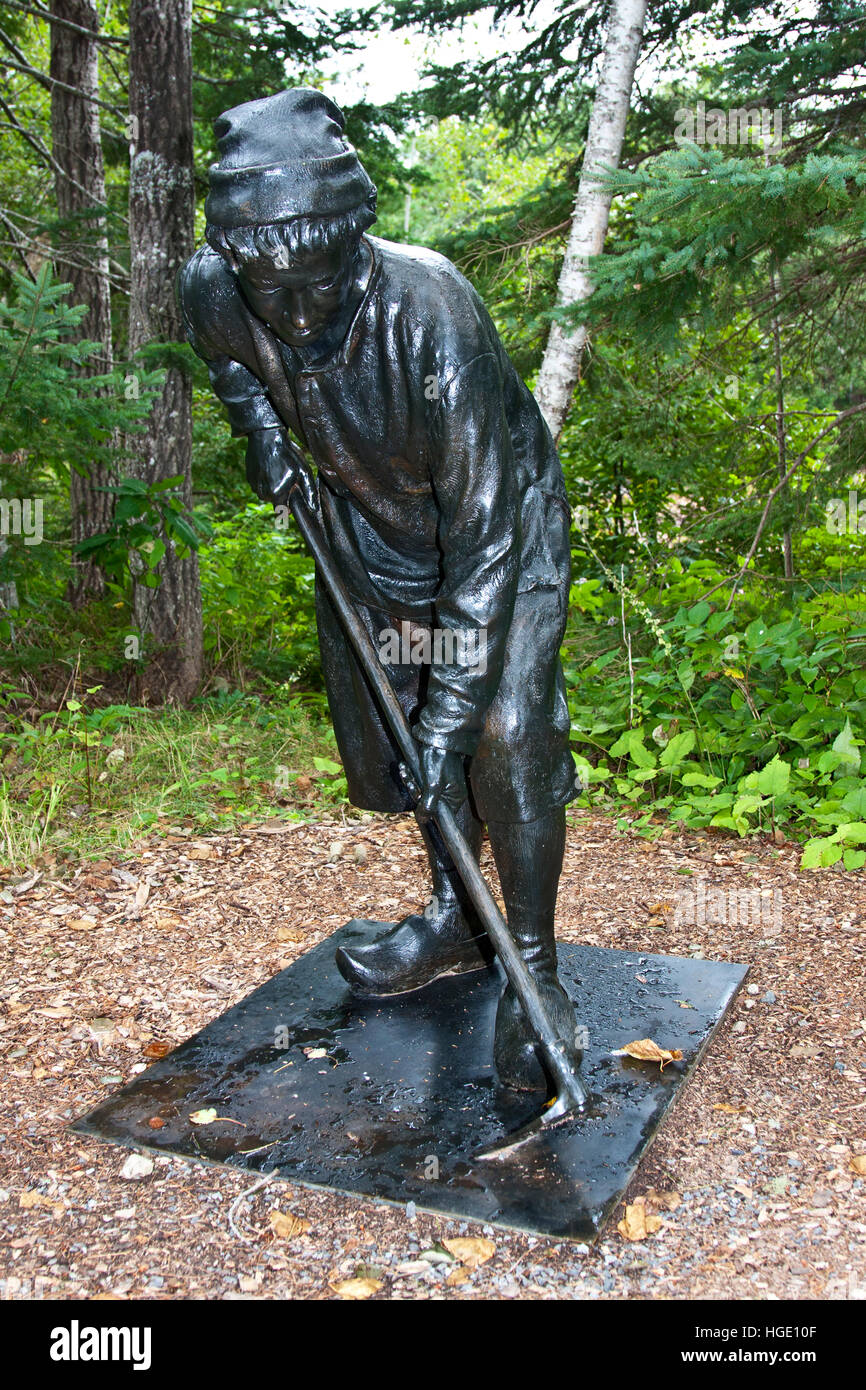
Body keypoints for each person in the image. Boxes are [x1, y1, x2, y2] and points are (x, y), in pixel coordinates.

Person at [178, 88, 581, 1090]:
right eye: (277, 296)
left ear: (354, 241)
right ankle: (455, 916)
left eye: (321, 285)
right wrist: (260, 430)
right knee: (397, 746)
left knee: (499, 730)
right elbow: (232, 370)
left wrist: (455, 710)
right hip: (370, 532)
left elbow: (483, 541)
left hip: (501, 536)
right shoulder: (214, 287)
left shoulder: (430, 307)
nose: (301, 312)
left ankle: (531, 964)